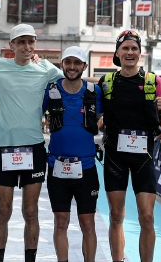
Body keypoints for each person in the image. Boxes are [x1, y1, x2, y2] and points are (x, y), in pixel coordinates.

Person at [0, 24, 63, 262]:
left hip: (34, 148)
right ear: (12, 46)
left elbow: (72, 82)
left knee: (30, 211)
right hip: (4, 147)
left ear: (35, 44)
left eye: (31, 42)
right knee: (3, 210)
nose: (27, 47)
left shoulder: (45, 68)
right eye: (21, 42)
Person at [99, 30, 161, 262]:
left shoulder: (153, 81)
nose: (130, 52)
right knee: (116, 215)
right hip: (114, 157)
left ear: (140, 53)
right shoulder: (107, 82)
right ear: (117, 53)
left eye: (134, 49)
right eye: (125, 48)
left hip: (143, 156)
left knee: (147, 217)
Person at [42, 46, 103, 262]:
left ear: (84, 66)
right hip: (57, 167)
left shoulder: (95, 92)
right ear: (62, 65)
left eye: (77, 63)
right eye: (68, 62)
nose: (72, 67)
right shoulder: (50, 90)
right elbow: (27, 109)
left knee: (88, 223)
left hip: (86, 168)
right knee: (60, 222)